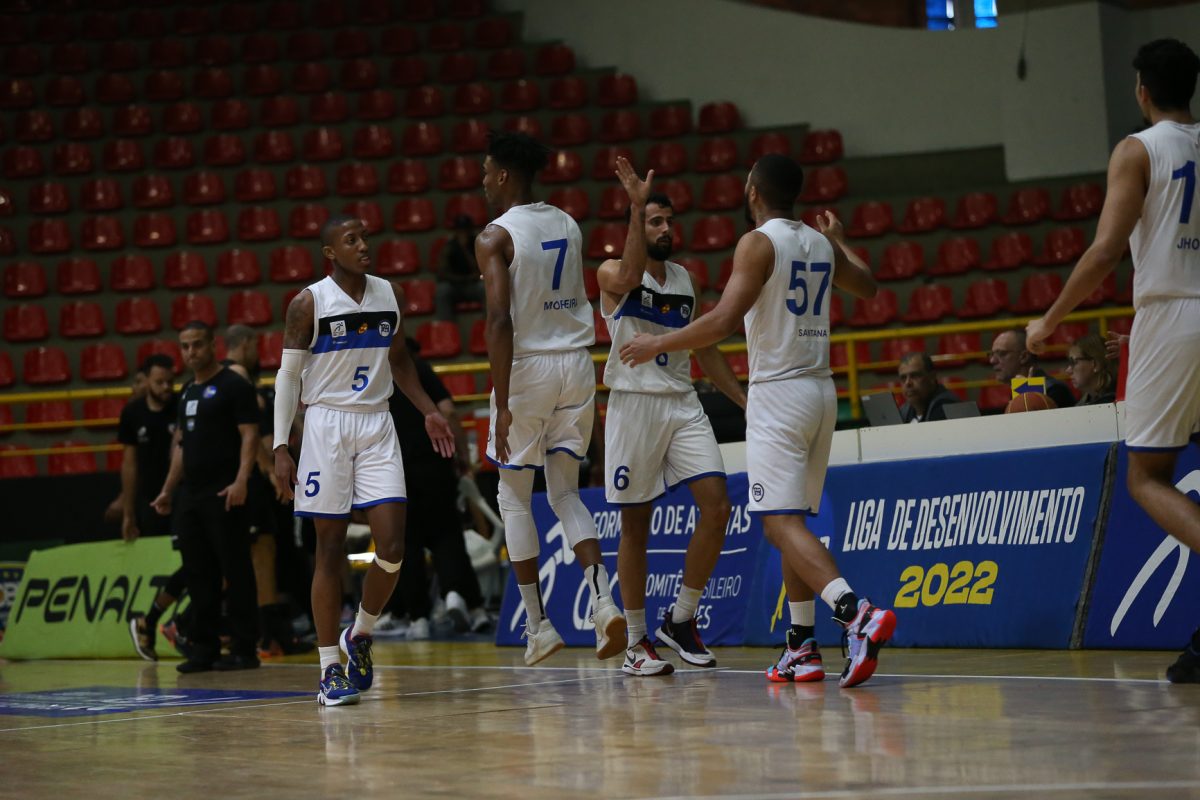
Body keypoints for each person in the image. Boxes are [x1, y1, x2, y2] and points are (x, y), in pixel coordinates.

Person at [620, 154, 897, 688]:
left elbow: (723, 320)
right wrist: (840, 241)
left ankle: (856, 614)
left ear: (752, 191)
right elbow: (868, 287)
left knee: (777, 524)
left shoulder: (757, 243)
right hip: (821, 392)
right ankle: (801, 647)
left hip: (780, 392)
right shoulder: (818, 242)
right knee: (794, 522)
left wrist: (659, 341)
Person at [1026, 39, 1200, 682]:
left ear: (1141, 91)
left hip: (1171, 315)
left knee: (1146, 478)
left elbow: (1104, 251)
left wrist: (1049, 321)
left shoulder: (1138, 149)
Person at [273, 215, 455, 706]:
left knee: (393, 545)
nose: (362, 245)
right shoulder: (308, 302)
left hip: (377, 423)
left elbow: (400, 360)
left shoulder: (389, 294)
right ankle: (329, 669)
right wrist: (281, 447)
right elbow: (287, 378)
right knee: (329, 549)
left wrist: (429, 411)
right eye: (350, 240)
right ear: (330, 253)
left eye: (365, 237)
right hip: (326, 424)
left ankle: (361, 631)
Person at [475, 130, 626, 665]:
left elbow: (499, 320)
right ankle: (604, 603)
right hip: (577, 365)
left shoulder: (494, 236)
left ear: (503, 175)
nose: (483, 180)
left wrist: (502, 401)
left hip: (528, 367)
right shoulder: (566, 221)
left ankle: (538, 626)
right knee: (566, 494)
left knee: (514, 497)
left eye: (486, 171)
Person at [598, 159, 748, 676]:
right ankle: (636, 641)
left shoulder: (685, 280)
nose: (665, 229)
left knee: (718, 507)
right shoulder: (611, 273)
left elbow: (705, 347)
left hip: (683, 402)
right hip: (633, 404)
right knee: (635, 527)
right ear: (637, 226)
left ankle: (681, 619)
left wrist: (742, 399)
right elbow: (628, 276)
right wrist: (636, 204)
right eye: (654, 222)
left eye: (668, 221)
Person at [151, 322, 261, 674]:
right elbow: (182, 446)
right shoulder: (186, 391)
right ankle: (204, 648)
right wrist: (168, 489)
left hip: (225, 491)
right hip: (192, 495)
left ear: (213, 345)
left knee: (236, 569)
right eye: (185, 346)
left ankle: (244, 648)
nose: (191, 352)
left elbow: (250, 436)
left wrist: (242, 480)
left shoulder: (233, 385)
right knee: (198, 572)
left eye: (197, 344)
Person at [386, 337, 491, 638]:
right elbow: (449, 413)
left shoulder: (376, 376)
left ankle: (418, 617)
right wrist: (462, 457)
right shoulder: (421, 370)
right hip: (435, 466)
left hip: (395, 470)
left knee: (407, 545)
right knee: (447, 536)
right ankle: (458, 596)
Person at [119, 354, 183, 661]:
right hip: (151, 502)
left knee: (197, 562)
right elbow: (129, 463)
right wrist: (128, 511)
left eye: (170, 381)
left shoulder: (182, 404)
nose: (166, 387)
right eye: (159, 382)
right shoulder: (132, 413)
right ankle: (158, 621)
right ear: (145, 381)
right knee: (187, 565)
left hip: (183, 497)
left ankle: (175, 623)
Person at [988, 328, 1075, 409]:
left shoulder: (1054, 391)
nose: (992, 360)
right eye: (992, 354)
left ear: (1024, 357)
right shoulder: (1020, 390)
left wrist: (1029, 397)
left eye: (1001, 353)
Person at [435, 214, 484, 320]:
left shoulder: (478, 243)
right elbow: (442, 274)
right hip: (455, 285)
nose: (463, 233)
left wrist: (465, 249)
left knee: (484, 287)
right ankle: (446, 327)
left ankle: (490, 322)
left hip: (473, 285)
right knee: (442, 290)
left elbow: (480, 269)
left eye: (466, 229)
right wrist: (463, 279)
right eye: (460, 230)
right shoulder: (449, 246)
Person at [897, 352, 958, 423]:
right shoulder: (904, 411)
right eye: (903, 378)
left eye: (915, 376)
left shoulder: (947, 408)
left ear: (932, 377)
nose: (907, 383)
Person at [1067, 334, 1117, 406]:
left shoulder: (1118, 400)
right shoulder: (1086, 401)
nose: (1068, 370)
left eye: (1074, 362)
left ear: (1096, 364)